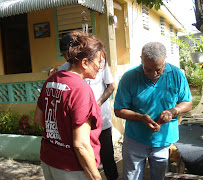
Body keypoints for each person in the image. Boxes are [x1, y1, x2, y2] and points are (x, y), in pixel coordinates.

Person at [114, 42, 193, 180]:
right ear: (141, 60)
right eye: (148, 69)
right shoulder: (129, 77)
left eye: (158, 69)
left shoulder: (176, 74)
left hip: (164, 140)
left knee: (161, 177)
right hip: (135, 139)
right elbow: (119, 110)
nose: (153, 74)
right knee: (131, 177)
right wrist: (141, 118)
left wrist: (173, 111)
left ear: (165, 60)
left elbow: (188, 103)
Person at [34, 31, 106, 180]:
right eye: (99, 62)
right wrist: (96, 177)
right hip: (72, 168)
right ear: (85, 62)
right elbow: (81, 145)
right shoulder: (81, 89)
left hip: (49, 159)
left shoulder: (52, 79)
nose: (100, 67)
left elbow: (39, 119)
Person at [58, 32, 119, 180]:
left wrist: (95, 105)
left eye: (69, 52)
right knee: (86, 158)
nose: (68, 57)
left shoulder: (97, 62)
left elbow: (111, 86)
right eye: (64, 54)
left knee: (108, 158)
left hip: (101, 121)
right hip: (80, 125)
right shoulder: (62, 71)